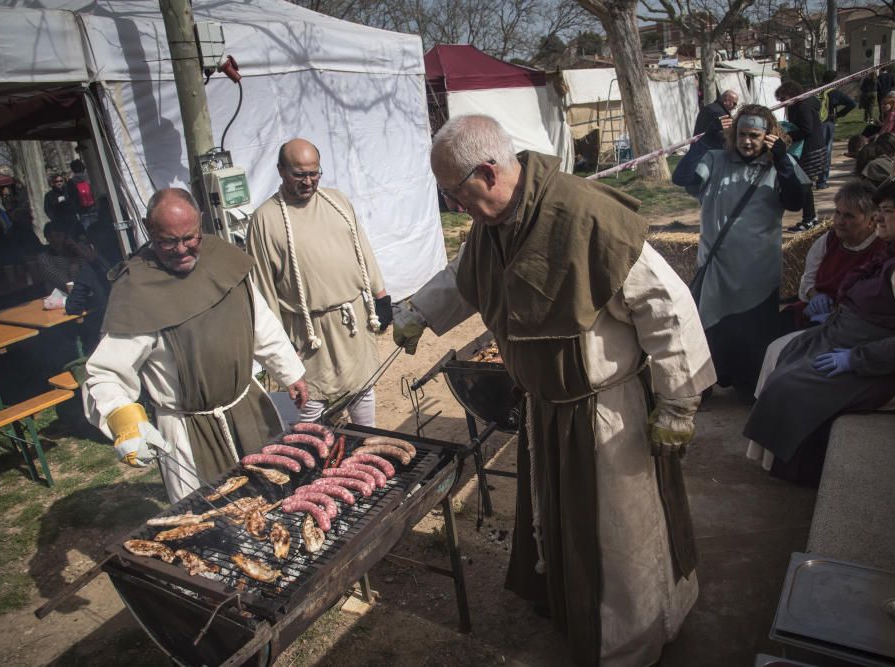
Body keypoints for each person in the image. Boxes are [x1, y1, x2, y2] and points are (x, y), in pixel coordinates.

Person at [393, 114, 716, 666]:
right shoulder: (496, 223)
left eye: (455, 193)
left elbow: (667, 305)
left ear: (489, 173)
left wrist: (679, 402)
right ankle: (576, 612)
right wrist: (419, 311)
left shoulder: (586, 216)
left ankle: (628, 644)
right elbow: (467, 275)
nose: (454, 206)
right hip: (548, 411)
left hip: (607, 414)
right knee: (565, 523)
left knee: (619, 537)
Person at [84, 188, 309, 503]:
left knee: (274, 495)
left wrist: (289, 372)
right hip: (188, 430)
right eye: (168, 241)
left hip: (247, 408)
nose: (181, 249)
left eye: (190, 237)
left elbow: (260, 322)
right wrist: (127, 423)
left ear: (200, 223)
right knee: (211, 520)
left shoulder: (223, 261)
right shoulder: (137, 291)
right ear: (150, 231)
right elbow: (105, 373)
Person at [744, 174, 895, 485]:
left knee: (790, 386)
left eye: (888, 211)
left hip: (878, 364)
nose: (880, 217)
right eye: (879, 209)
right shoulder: (891, 250)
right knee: (783, 356)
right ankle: (780, 458)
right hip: (840, 333)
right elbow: (809, 286)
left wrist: (855, 359)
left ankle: (800, 471)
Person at [247, 139, 391, 426]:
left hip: (351, 321)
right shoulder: (265, 219)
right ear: (280, 170)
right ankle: (315, 461)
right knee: (311, 401)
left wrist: (381, 295)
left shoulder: (336, 201)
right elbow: (261, 287)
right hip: (307, 331)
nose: (308, 181)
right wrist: (279, 345)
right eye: (299, 174)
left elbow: (363, 250)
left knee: (362, 389)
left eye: (314, 173)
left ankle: (368, 444)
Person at [673, 104, 808, 400]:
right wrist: (703, 141)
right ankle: (705, 382)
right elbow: (681, 178)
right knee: (710, 329)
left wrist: (783, 161)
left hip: (757, 271)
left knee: (754, 331)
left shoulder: (778, 165)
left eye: (755, 136)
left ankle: (749, 383)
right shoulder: (715, 159)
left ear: (768, 136)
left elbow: (796, 200)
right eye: (743, 134)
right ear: (734, 134)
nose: (748, 141)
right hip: (718, 267)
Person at [783, 180, 884, 330]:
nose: (840, 221)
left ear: (871, 220)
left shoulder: (881, 249)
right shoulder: (827, 241)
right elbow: (807, 280)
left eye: (849, 216)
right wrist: (815, 296)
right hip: (815, 311)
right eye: (838, 213)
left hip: (853, 322)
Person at [776, 81, 826, 231]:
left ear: (791, 94)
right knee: (805, 183)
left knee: (805, 183)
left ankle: (809, 219)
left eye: (783, 98)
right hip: (808, 148)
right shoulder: (797, 105)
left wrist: (786, 136)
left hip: (810, 150)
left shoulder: (803, 106)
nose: (782, 102)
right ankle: (810, 217)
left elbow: (806, 129)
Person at [816, 71, 856, 189]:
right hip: (827, 123)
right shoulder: (834, 93)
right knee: (826, 152)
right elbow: (852, 103)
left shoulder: (816, 91)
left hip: (814, 124)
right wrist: (838, 114)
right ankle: (822, 181)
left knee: (814, 151)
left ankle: (811, 176)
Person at [36, 221, 82, 293]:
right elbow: (69, 285)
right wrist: (74, 264)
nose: (54, 240)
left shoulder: (77, 253)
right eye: (50, 237)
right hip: (61, 300)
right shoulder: (44, 259)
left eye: (58, 235)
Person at [68, 159, 97, 230]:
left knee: (88, 230)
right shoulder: (90, 177)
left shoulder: (71, 182)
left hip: (82, 211)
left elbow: (71, 198)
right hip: (94, 208)